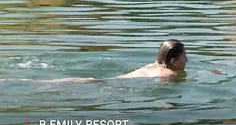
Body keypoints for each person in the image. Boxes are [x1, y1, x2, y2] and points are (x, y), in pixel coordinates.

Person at [0, 39, 188, 83]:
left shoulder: (152, 65)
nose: (187, 59)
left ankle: (15, 81)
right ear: (173, 60)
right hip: (113, 85)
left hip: (113, 80)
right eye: (184, 56)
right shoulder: (168, 74)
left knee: (74, 81)